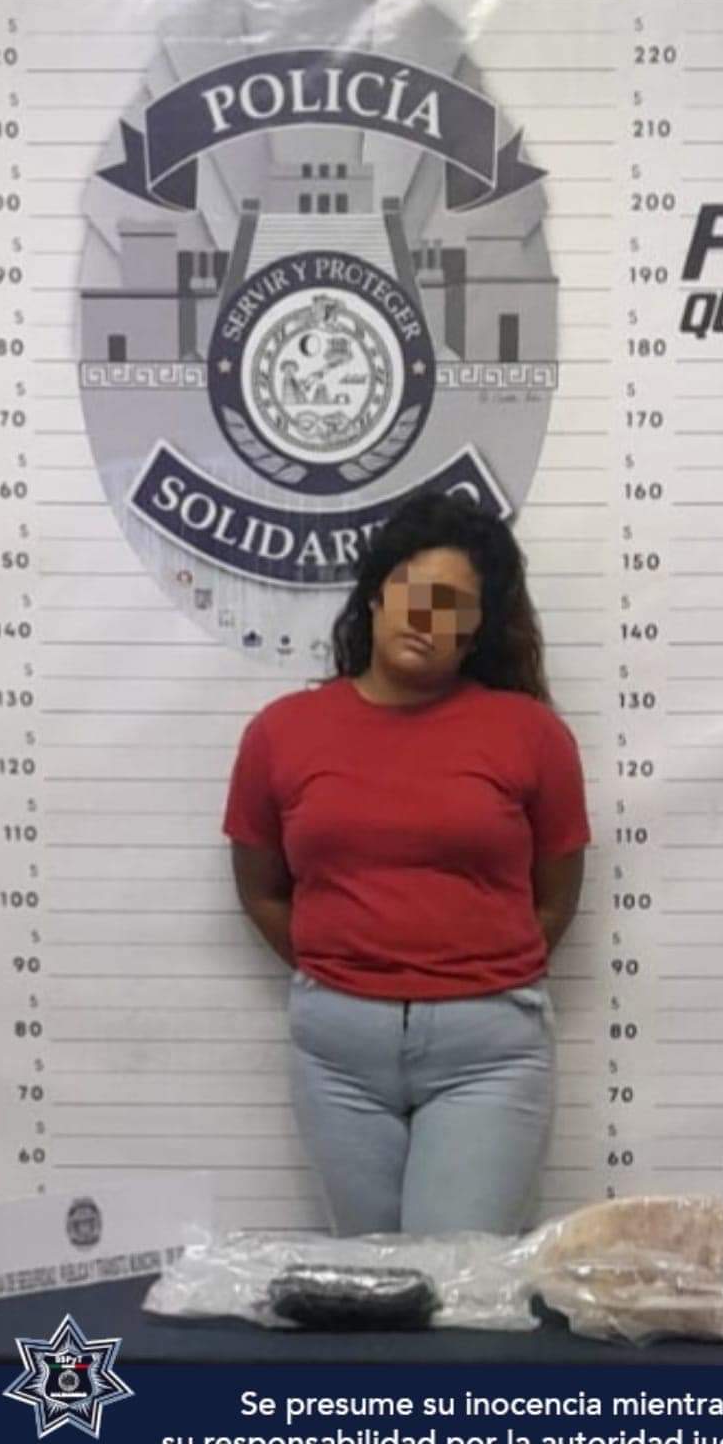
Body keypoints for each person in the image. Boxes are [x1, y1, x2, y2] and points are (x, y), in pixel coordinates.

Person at [222, 491, 591, 1236]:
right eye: (413, 592)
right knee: (371, 1280)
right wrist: (352, 967)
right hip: (337, 1053)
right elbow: (260, 889)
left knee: (458, 1278)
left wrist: (465, 973)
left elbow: (554, 898)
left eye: (454, 605)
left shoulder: (530, 735)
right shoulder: (281, 733)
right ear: (376, 594)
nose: (427, 617)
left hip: (487, 1052)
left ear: (477, 628)